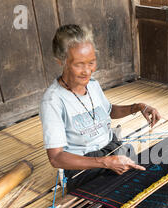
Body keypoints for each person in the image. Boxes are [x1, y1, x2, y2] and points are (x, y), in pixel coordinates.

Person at [40, 24, 161, 191]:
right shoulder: (53, 101)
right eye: (79, 64)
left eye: (91, 62)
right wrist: (105, 162)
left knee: (149, 181)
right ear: (61, 61)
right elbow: (56, 158)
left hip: (112, 149)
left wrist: (138, 107)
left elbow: (108, 111)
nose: (87, 71)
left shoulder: (93, 85)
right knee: (118, 196)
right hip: (84, 167)